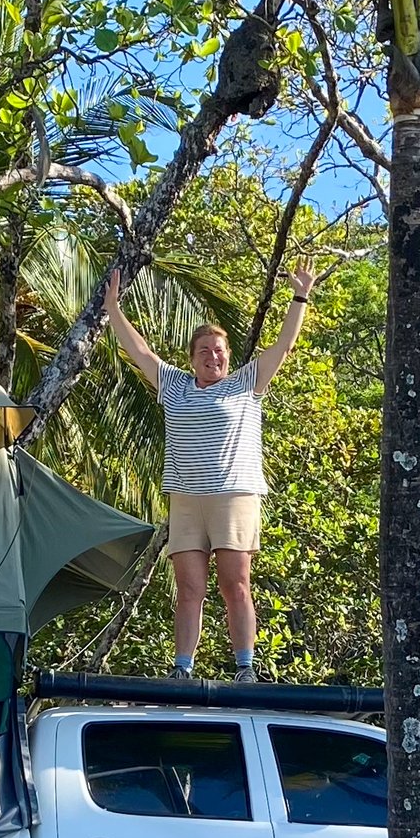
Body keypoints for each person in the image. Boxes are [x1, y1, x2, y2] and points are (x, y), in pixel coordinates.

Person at [104, 262, 317, 681]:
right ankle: (183, 669)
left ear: (228, 357)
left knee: (234, 584)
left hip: (233, 495)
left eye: (218, 351)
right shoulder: (175, 385)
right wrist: (112, 306)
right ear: (192, 359)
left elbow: (283, 347)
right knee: (189, 588)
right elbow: (140, 352)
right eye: (204, 351)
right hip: (185, 499)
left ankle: (246, 667)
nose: (212, 356)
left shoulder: (244, 383)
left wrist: (300, 297)